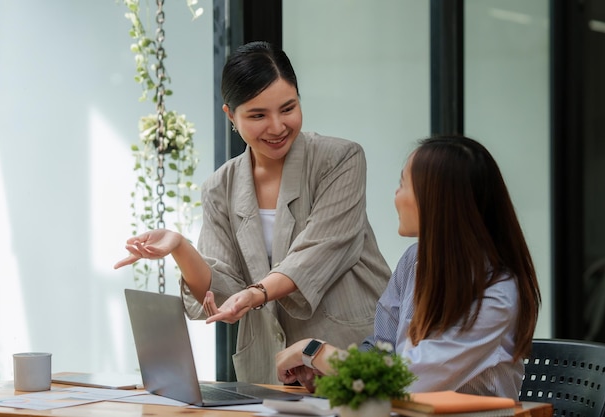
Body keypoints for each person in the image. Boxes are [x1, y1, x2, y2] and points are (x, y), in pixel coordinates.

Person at [114, 41, 391, 384]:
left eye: (288, 108)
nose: (276, 127)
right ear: (230, 115)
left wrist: (255, 293)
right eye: (258, 115)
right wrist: (180, 247)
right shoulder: (219, 188)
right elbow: (222, 293)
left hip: (347, 357)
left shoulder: (340, 160)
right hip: (268, 371)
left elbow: (319, 253)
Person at [276, 135, 542, 400]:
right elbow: (382, 351)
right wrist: (332, 375)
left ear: (437, 199)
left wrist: (314, 351)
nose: (396, 194)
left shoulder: (496, 295)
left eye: (403, 184)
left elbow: (408, 381)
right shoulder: (414, 261)